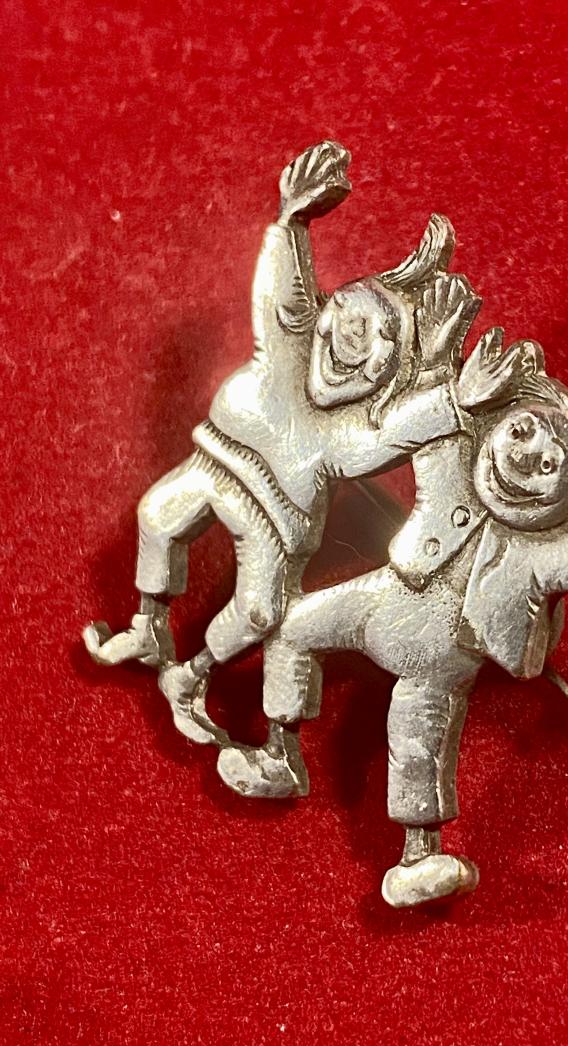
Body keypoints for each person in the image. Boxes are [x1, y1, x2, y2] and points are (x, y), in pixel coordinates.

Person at [218, 368, 568, 907]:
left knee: (417, 741)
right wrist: (455, 397)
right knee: (292, 628)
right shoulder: (454, 464)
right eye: (522, 431)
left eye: (549, 465)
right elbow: (417, 428)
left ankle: (418, 857)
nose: (523, 458)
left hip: (440, 660)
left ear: (567, 498)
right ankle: (279, 755)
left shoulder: (541, 549)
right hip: (379, 599)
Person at [83, 141, 502, 744]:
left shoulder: (351, 433)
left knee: (259, 612)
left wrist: (455, 400)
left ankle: (192, 677)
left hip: (276, 522)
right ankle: (149, 626)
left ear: (385, 377)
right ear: (324, 309)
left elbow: (395, 430)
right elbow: (281, 292)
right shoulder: (287, 345)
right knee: (156, 516)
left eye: (374, 341)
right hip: (216, 462)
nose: (350, 337)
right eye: (349, 312)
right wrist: (291, 221)